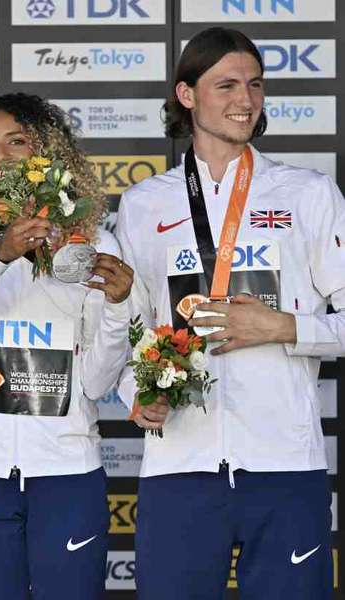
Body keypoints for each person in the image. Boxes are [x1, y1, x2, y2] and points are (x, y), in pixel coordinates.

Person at [116, 27, 342, 599]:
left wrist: (285, 327)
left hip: (285, 465)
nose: (246, 100)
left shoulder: (308, 194)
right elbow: (127, 331)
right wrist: (135, 395)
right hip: (178, 466)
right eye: (227, 85)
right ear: (187, 95)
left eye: (255, 84)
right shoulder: (144, 205)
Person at [0, 93, 134, 599]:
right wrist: (3, 250)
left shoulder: (95, 245)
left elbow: (98, 381)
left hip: (67, 474)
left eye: (16, 142)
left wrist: (117, 307)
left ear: (47, 152)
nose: (1, 158)